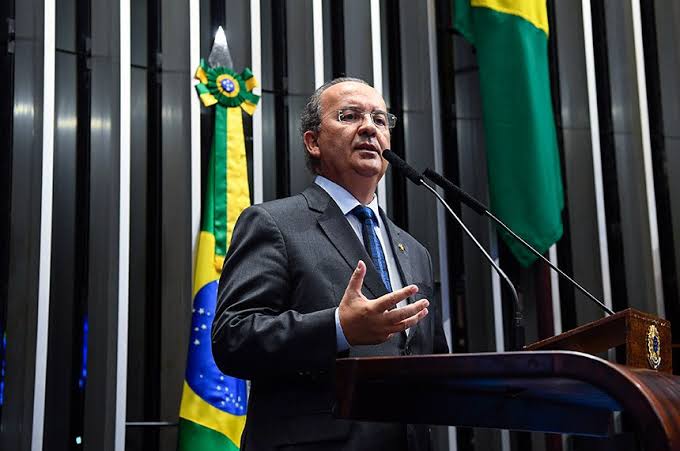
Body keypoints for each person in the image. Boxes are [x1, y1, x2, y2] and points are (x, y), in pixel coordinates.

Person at [212, 77, 449, 451]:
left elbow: (432, 360)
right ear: (313, 142)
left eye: (380, 119)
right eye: (349, 115)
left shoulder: (414, 249)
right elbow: (233, 338)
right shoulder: (273, 223)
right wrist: (338, 328)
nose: (369, 127)